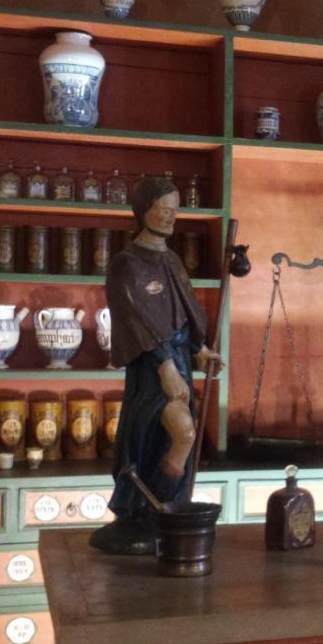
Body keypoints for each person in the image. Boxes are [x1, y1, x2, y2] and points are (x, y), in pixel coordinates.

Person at [90, 174, 221, 555]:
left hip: (179, 363)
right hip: (151, 368)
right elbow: (137, 322)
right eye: (162, 209)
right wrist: (165, 368)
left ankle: (161, 508)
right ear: (142, 210)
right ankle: (149, 508)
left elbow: (184, 316)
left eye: (174, 210)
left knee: (171, 439)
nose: (169, 216)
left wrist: (199, 350)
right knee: (181, 433)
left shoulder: (172, 260)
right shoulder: (126, 264)